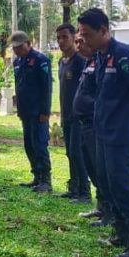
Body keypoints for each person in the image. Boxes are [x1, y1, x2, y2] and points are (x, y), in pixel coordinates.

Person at [76, 8, 129, 257]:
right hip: (103, 131)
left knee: (123, 186)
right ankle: (121, 233)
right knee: (109, 185)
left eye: (87, 34)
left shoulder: (122, 54)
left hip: (120, 134)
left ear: (103, 31)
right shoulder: (100, 56)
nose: (83, 39)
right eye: (81, 34)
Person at [72, 33, 111, 226]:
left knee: (99, 168)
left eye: (82, 41)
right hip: (83, 123)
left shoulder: (100, 62)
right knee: (90, 165)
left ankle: (109, 212)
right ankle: (101, 206)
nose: (79, 45)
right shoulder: (89, 62)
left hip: (95, 124)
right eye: (77, 41)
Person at [10, 30, 53, 193]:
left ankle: (46, 181)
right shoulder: (17, 62)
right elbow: (19, 86)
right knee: (29, 145)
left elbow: (46, 87)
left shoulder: (40, 60)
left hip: (38, 112)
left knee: (40, 145)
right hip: (25, 111)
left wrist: (45, 111)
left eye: (19, 47)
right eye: (14, 48)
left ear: (28, 44)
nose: (16, 50)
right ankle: (36, 176)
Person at [54, 23, 91, 202]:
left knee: (78, 152)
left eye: (65, 37)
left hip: (79, 116)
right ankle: (74, 187)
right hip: (66, 114)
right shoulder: (61, 62)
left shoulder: (80, 61)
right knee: (69, 152)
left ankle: (85, 192)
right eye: (58, 38)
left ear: (74, 37)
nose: (61, 41)